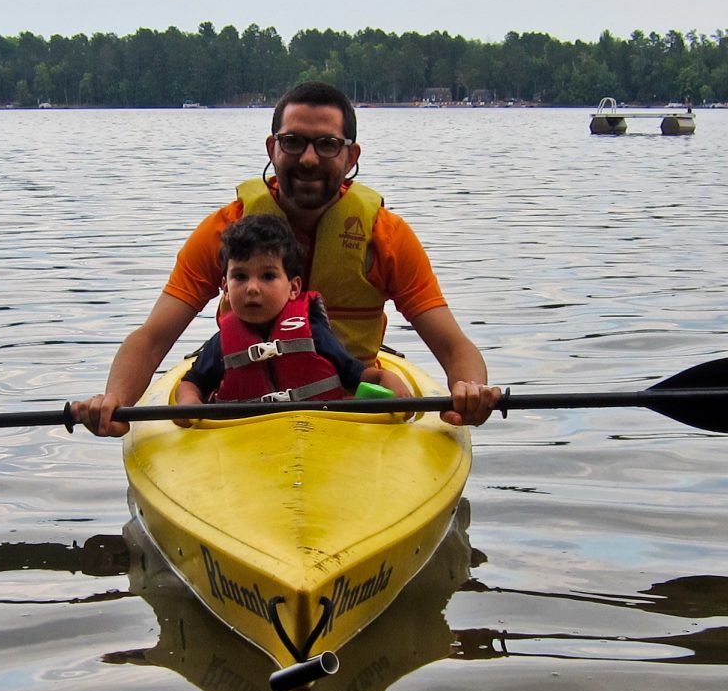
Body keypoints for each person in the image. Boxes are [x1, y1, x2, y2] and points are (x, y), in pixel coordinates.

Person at [72, 81, 502, 435]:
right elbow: (152, 338)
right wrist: (115, 400)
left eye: (327, 145)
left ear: (351, 156)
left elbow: (452, 344)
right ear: (271, 149)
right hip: (238, 407)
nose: (309, 159)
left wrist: (470, 389)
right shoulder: (228, 230)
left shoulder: (386, 237)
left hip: (352, 397)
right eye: (293, 142)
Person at [175, 213, 381, 409]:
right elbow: (191, 383)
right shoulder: (221, 343)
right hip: (242, 435)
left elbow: (356, 377)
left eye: (267, 276)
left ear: (293, 288)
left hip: (314, 431)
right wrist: (190, 401)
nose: (252, 288)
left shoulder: (314, 333)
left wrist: (383, 378)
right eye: (240, 276)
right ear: (226, 288)